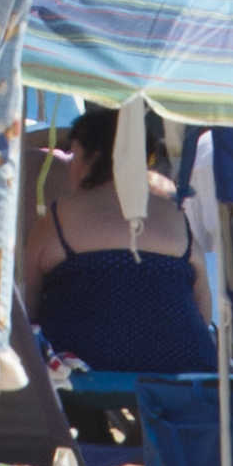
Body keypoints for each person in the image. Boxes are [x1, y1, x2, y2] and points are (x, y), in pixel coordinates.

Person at [17, 106, 213, 372]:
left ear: (93, 158)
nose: (69, 166)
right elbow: (203, 308)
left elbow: (26, 305)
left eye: (73, 155)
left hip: (87, 370)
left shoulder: (59, 216)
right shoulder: (173, 213)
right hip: (185, 363)